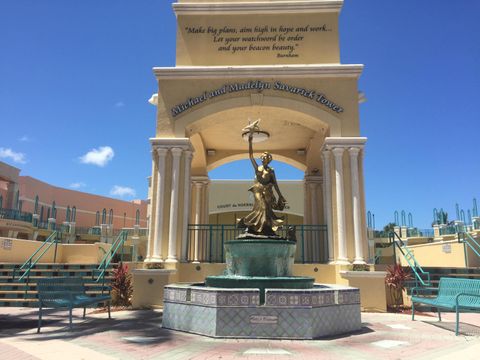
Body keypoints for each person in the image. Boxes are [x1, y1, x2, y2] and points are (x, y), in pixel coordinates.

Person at [238, 130, 287, 237]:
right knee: (261, 207)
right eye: (263, 157)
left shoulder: (271, 170)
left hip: (268, 191)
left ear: (269, 160)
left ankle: (265, 228)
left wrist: (280, 195)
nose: (264, 158)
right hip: (258, 191)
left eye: (266, 157)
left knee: (267, 209)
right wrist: (250, 142)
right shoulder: (258, 168)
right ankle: (254, 226)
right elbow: (250, 156)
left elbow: (275, 184)